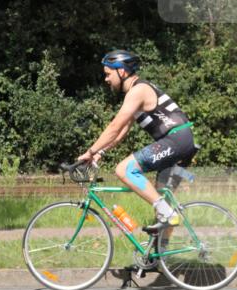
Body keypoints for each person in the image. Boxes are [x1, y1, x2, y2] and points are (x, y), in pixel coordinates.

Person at [77, 49, 196, 232]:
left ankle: (168, 213)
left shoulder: (138, 90)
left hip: (176, 140)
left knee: (125, 169)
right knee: (161, 204)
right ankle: (157, 257)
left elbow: (115, 126)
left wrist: (90, 151)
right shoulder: (136, 91)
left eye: (108, 74)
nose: (106, 79)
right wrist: (100, 153)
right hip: (180, 141)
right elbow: (122, 130)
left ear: (122, 71)